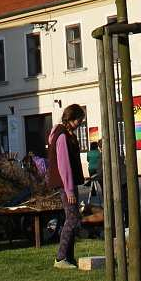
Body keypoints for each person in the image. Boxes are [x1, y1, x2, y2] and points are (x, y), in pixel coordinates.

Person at [46, 103, 86, 270]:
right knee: (72, 218)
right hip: (65, 185)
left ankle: (69, 257)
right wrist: (69, 189)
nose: (80, 124)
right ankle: (61, 257)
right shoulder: (62, 136)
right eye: (79, 120)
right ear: (71, 118)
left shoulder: (62, 133)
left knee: (71, 218)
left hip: (68, 184)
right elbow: (64, 165)